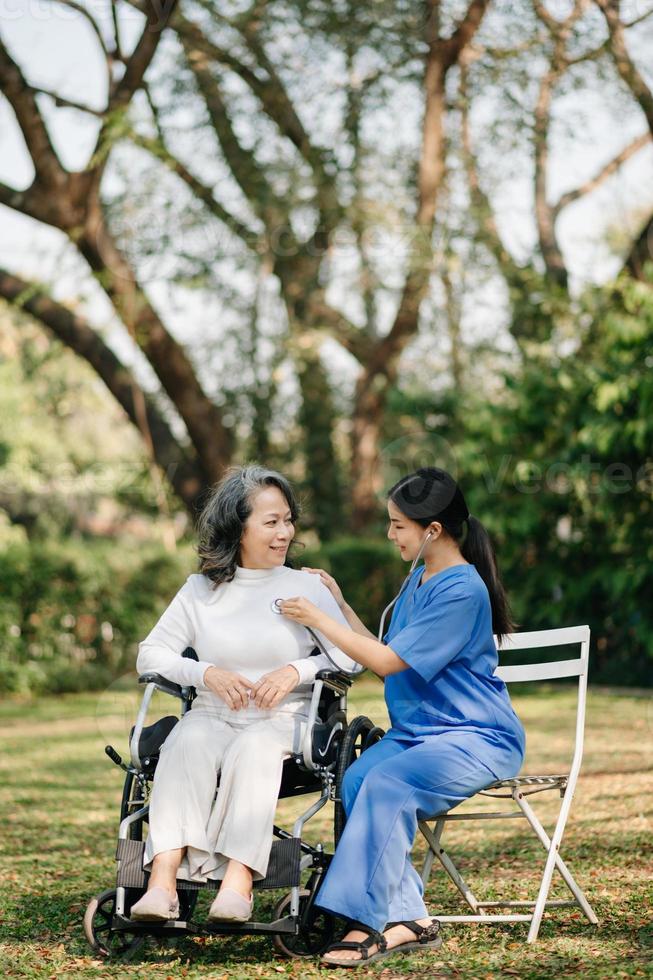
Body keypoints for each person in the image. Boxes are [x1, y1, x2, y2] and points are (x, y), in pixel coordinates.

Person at [280, 467, 525, 967]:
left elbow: (388, 664)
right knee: (358, 778)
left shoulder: (462, 590)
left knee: (388, 783)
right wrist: (340, 602)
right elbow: (383, 650)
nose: (390, 534)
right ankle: (411, 917)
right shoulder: (420, 576)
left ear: (432, 530)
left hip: (474, 739)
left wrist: (318, 617)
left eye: (398, 525)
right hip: (422, 735)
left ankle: (370, 923)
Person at [129, 465, 355, 924]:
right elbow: (149, 655)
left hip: (282, 719)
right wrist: (205, 672)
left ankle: (238, 883)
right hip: (212, 713)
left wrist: (298, 669)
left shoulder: (304, 587)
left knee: (254, 749)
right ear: (238, 527)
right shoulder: (200, 590)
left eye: (288, 520)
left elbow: (350, 658)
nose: (285, 533)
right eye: (271, 522)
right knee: (185, 742)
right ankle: (162, 883)